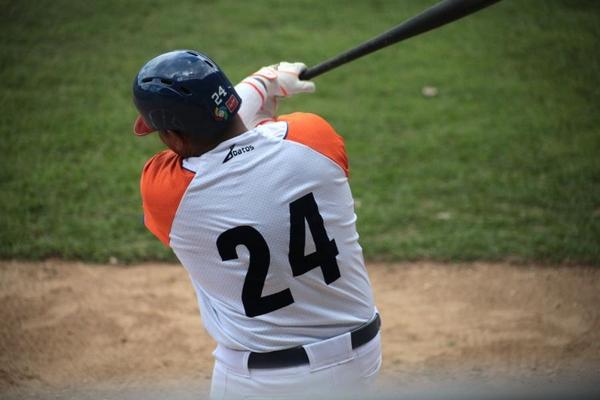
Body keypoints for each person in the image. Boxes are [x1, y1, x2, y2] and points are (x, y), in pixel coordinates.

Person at [132, 49, 381, 399]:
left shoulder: (168, 196)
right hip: (362, 356)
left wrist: (262, 84)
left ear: (172, 136)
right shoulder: (314, 139)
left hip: (266, 383)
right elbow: (247, 130)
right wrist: (265, 83)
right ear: (228, 99)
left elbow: (222, 139)